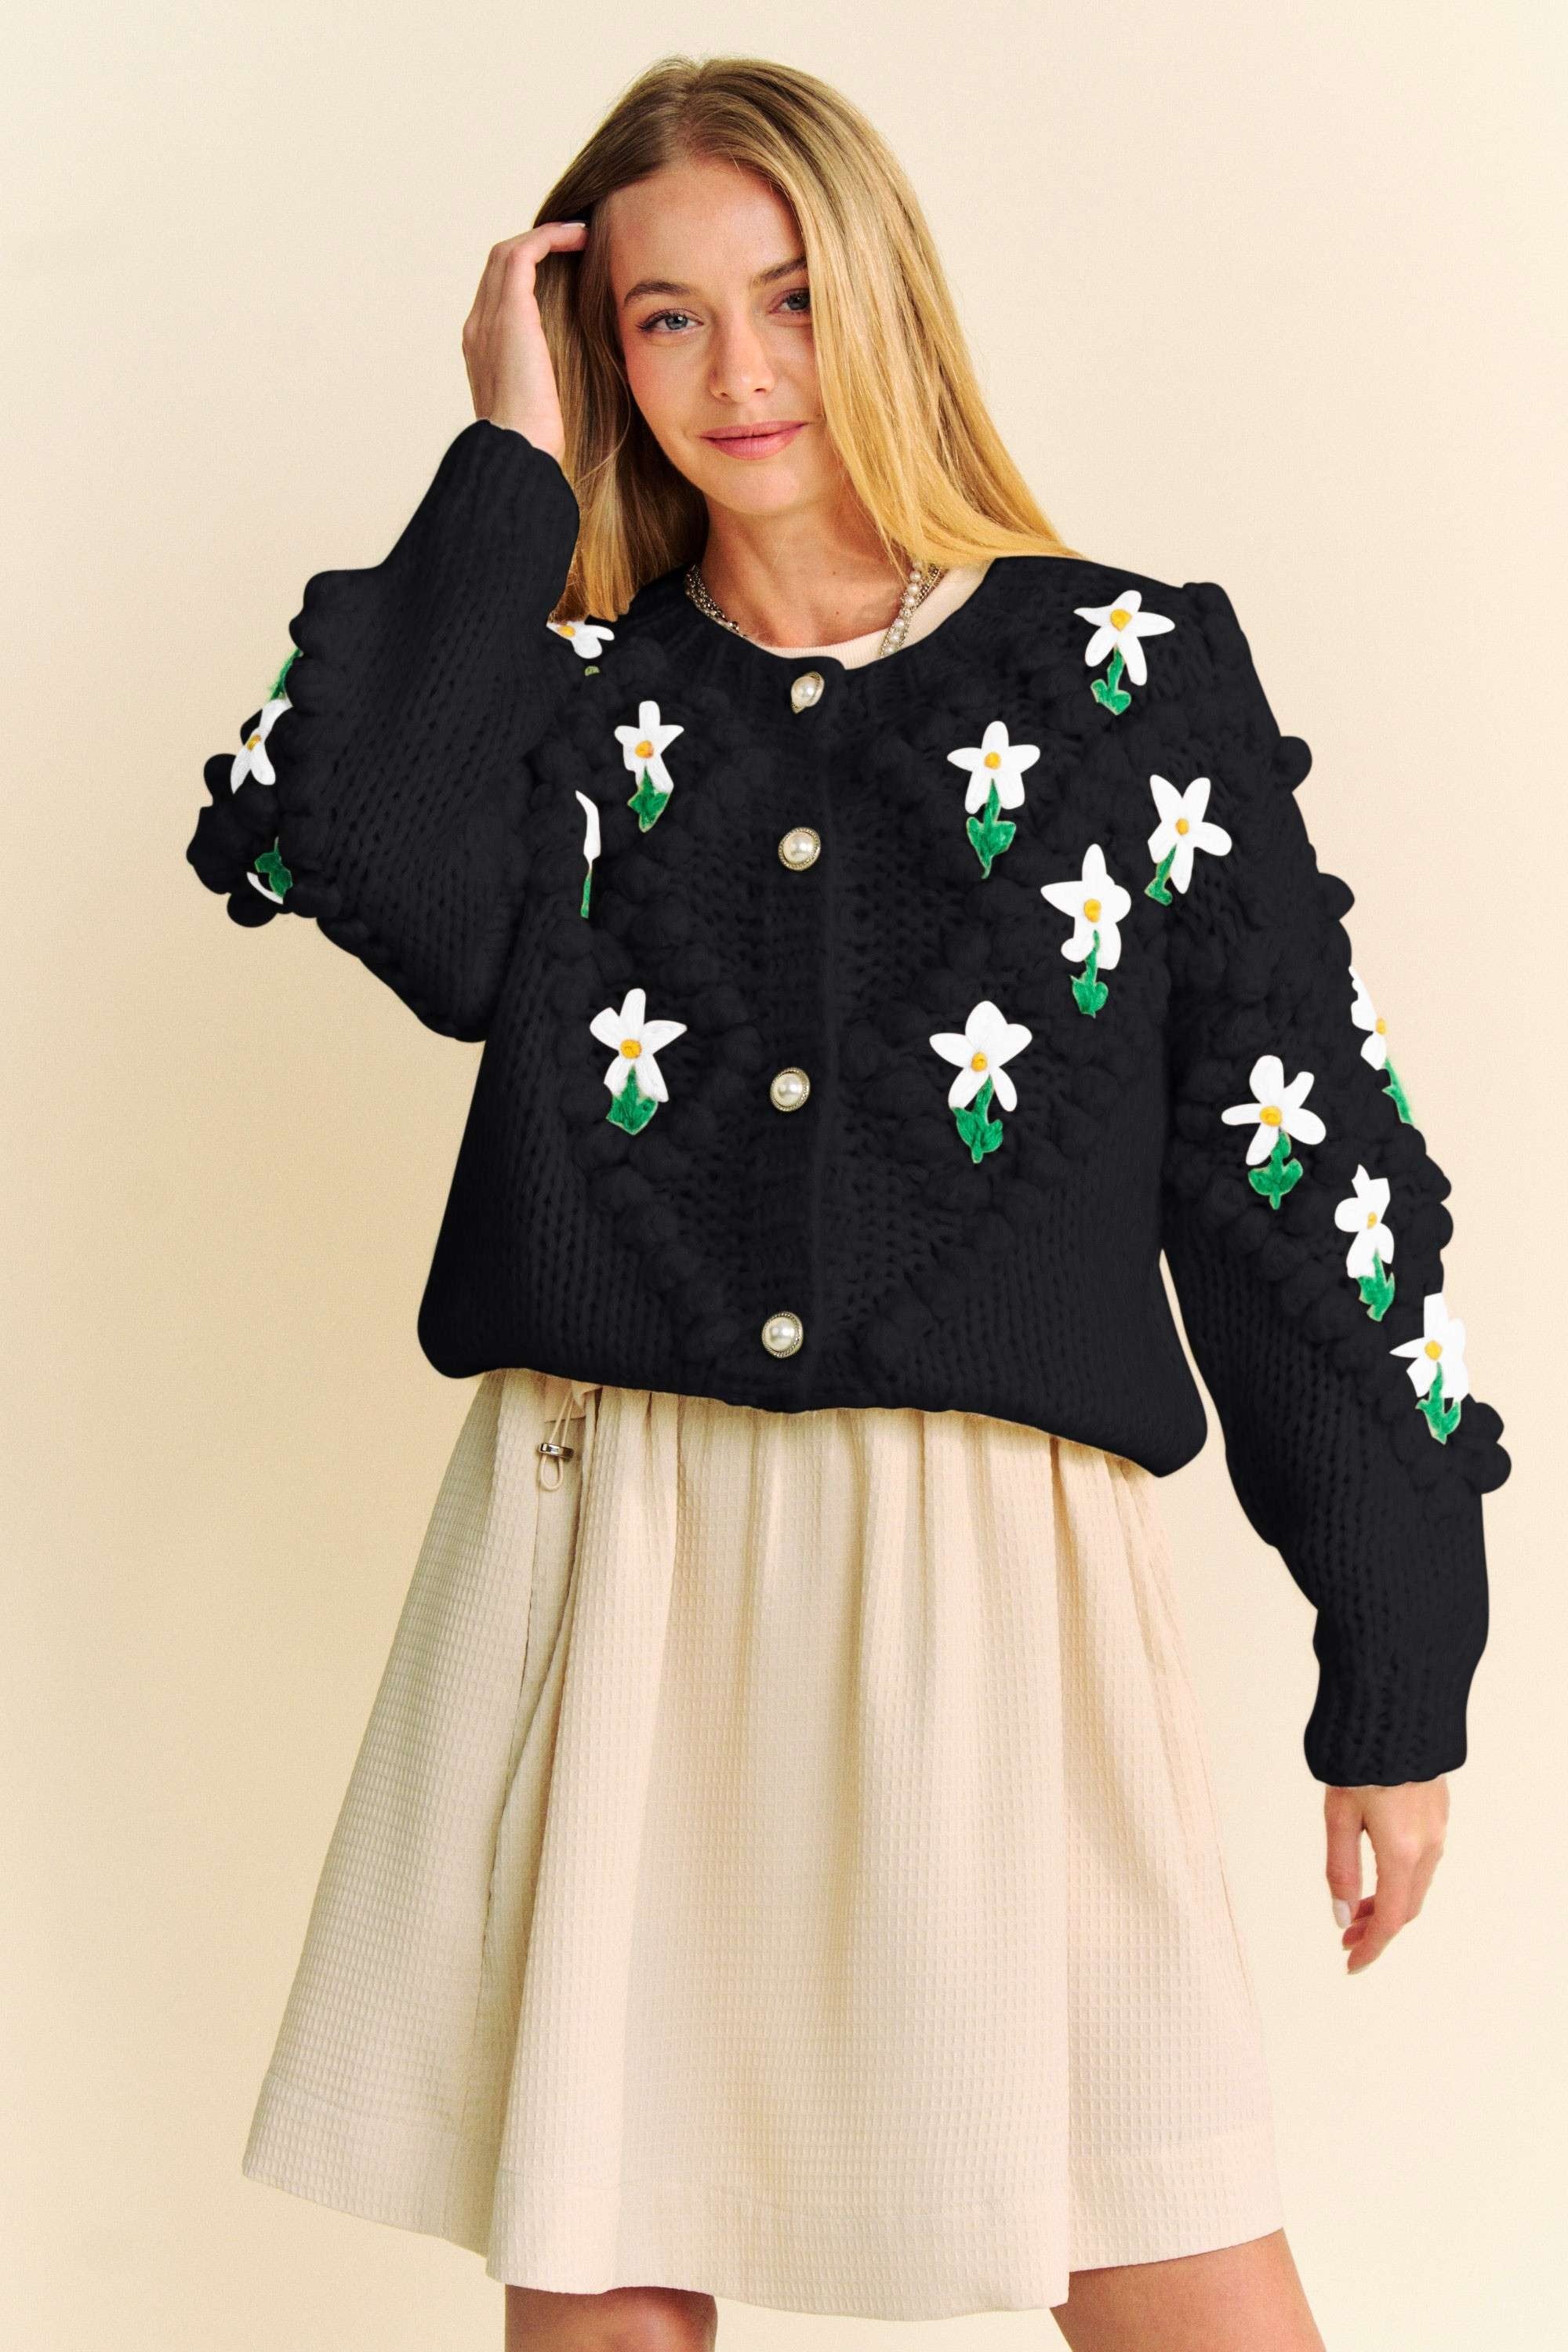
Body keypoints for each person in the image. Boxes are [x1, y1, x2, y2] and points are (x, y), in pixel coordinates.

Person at [186, 52, 1509, 2352]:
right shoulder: (565, 703)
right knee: (609, 2280)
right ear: (600, 350)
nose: (740, 370)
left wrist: (1395, 1666)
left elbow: (1306, 1178)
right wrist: (505, 463)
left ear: (883, 297)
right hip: (621, 1552)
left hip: (985, 1569)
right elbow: (362, 854)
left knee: (1165, 2260)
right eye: (665, 317)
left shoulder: (1123, 683)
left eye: (788, 295)